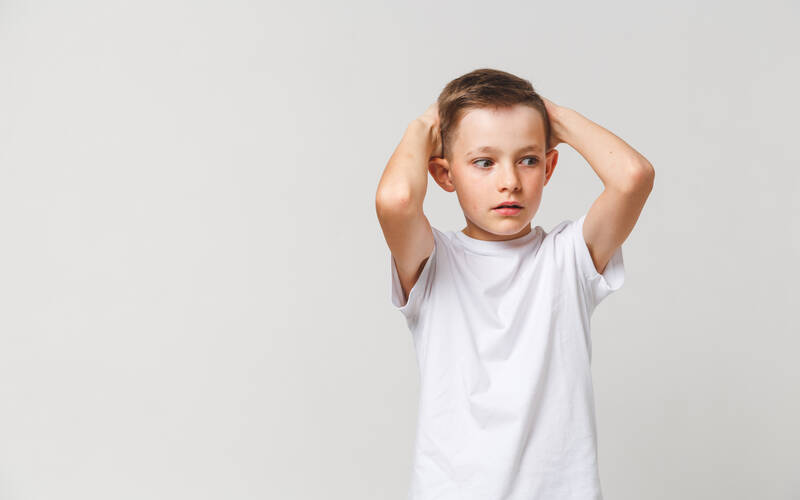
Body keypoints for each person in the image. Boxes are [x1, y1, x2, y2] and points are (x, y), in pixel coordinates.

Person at [374, 68, 655, 500]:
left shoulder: (569, 258)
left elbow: (633, 176)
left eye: (527, 159)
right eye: (484, 162)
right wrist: (425, 126)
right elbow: (396, 200)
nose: (510, 180)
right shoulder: (433, 262)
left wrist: (553, 118)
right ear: (444, 175)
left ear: (549, 166)